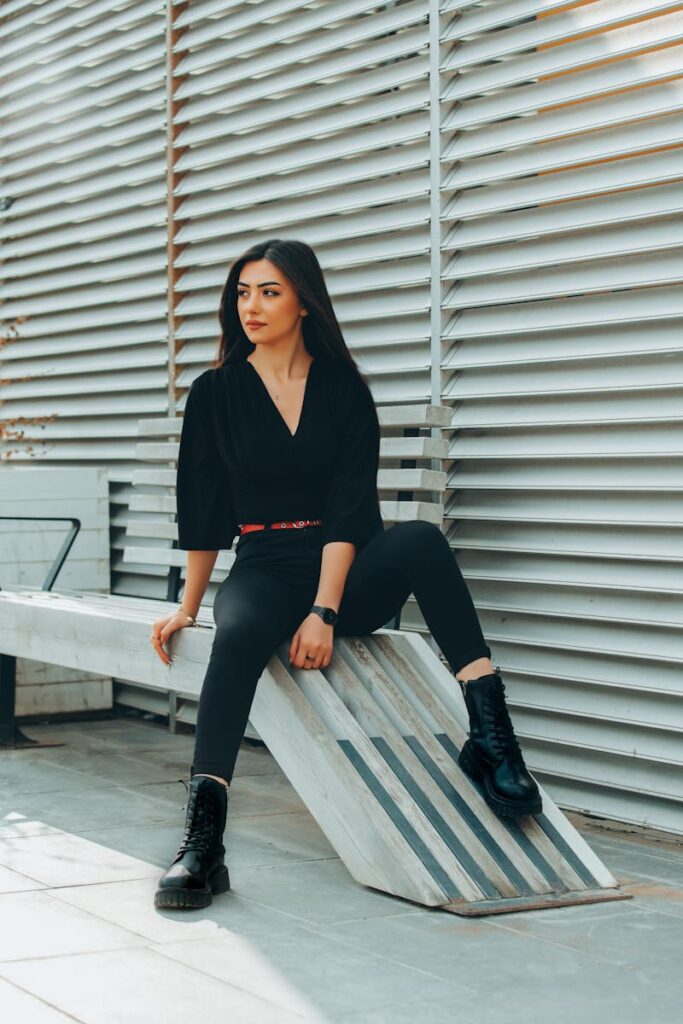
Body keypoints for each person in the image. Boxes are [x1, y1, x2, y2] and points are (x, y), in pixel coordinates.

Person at [151, 238, 541, 910]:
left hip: (344, 571)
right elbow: (204, 505)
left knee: (418, 539)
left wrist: (325, 611)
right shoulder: (214, 392)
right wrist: (189, 605)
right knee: (236, 633)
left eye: (269, 291)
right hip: (265, 567)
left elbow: (348, 510)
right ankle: (203, 842)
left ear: (304, 300)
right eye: (242, 292)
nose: (252, 305)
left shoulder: (342, 390)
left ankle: (490, 737)